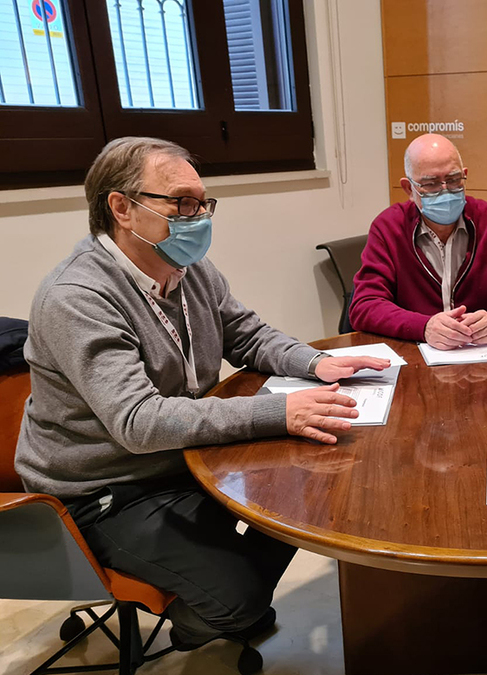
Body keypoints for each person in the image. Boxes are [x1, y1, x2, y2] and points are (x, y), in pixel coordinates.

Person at [15, 137, 390, 648]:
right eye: (182, 203)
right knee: (243, 602)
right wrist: (277, 412)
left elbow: (248, 335)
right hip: (105, 489)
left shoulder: (186, 269)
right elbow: (139, 423)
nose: (199, 218)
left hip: (184, 457)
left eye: (202, 204)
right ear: (122, 208)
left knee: (318, 489)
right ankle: (209, 610)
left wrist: (315, 363)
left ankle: (218, 573)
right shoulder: (77, 298)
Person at [349, 134, 487, 349]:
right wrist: (423, 327)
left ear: (464, 176)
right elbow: (365, 305)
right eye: (431, 183)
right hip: (416, 354)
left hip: (482, 353)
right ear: (409, 189)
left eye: (454, 180)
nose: (445, 190)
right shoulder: (389, 227)